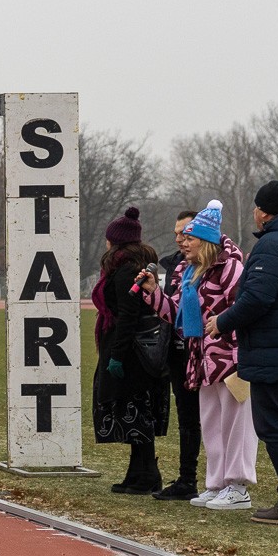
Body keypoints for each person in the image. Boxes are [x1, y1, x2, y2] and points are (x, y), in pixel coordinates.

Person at [207, 181, 278, 526]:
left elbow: (257, 299)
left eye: (256, 207)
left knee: (274, 426)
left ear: (263, 211)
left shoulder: (272, 245)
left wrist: (222, 321)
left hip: (274, 352)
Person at [135, 201, 255, 510]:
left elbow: (244, 308)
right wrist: (153, 293)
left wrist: (225, 329)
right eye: (183, 237)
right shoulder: (190, 272)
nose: (182, 243)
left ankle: (238, 485)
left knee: (235, 423)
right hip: (200, 360)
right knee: (212, 423)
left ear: (205, 241)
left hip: (230, 358)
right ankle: (216, 483)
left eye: (189, 238)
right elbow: (176, 314)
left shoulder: (231, 266)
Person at [91, 207, 170, 494]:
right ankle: (139, 473)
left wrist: (117, 356)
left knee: (134, 410)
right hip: (138, 350)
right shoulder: (135, 265)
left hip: (132, 352)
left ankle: (147, 474)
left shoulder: (125, 270)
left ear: (117, 241)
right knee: (137, 411)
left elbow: (128, 315)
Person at [151, 211, 205, 500]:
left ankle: (208, 480)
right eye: (176, 233)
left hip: (198, 351)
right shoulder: (174, 265)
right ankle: (188, 479)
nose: (179, 238)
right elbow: (172, 311)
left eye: (185, 233)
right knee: (186, 417)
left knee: (202, 418)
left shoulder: (206, 265)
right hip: (175, 349)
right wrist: (152, 293)